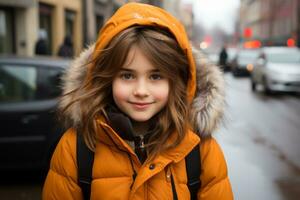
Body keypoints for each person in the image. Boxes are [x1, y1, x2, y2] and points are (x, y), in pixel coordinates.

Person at [42, 3, 233, 199]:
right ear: (107, 78)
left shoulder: (200, 151)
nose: (141, 91)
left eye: (155, 76)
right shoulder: (76, 148)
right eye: (127, 76)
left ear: (175, 81)